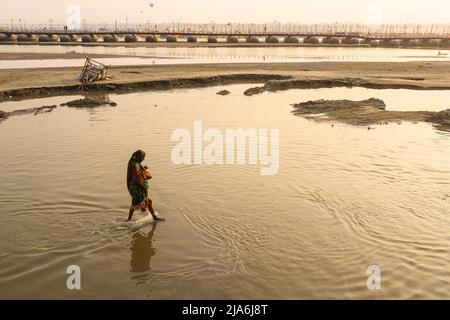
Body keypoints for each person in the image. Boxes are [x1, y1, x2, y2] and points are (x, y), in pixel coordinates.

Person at [126, 150, 165, 222]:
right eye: (143, 157)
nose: (143, 159)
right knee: (134, 205)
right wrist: (143, 186)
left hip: (134, 187)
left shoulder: (132, 162)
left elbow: (135, 173)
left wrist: (143, 169)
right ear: (139, 157)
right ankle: (128, 220)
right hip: (137, 188)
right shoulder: (136, 165)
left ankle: (154, 217)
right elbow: (135, 178)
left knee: (148, 201)